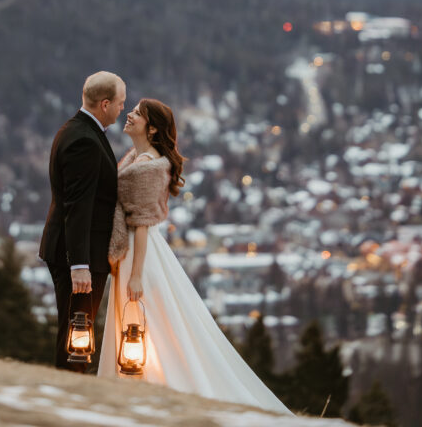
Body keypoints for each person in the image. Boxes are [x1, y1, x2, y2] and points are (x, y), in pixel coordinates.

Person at [98, 98, 292, 414]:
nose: (129, 115)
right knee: (142, 322)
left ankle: (148, 386)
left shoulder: (148, 164)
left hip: (138, 253)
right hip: (133, 251)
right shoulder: (138, 157)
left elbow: (143, 222)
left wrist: (135, 273)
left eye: (137, 114)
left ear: (152, 127)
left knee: (142, 321)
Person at [39, 70, 127, 370]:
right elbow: (78, 206)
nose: (122, 109)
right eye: (120, 102)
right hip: (78, 255)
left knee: (75, 329)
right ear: (105, 104)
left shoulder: (77, 131)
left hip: (76, 252)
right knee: (78, 332)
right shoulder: (84, 141)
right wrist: (80, 265)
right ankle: (69, 395)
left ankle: (69, 390)